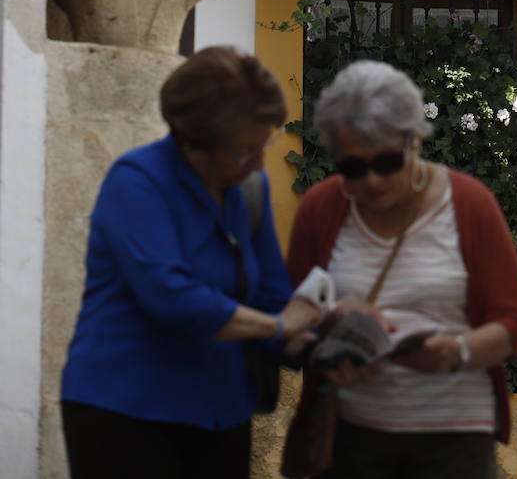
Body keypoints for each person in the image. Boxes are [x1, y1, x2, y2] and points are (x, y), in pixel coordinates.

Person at [60, 46, 321, 479]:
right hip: (126, 411)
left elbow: (275, 299)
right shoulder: (137, 182)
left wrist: (318, 340)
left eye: (265, 146)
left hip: (220, 412)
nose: (259, 164)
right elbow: (172, 298)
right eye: (244, 151)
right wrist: (278, 326)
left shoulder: (247, 191)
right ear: (195, 144)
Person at [285, 59, 517, 479]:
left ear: (414, 141)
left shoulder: (469, 203)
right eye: (353, 168)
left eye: (386, 163)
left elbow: (513, 325)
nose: (372, 182)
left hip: (454, 444)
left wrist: (458, 352)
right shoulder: (321, 208)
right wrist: (325, 343)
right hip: (348, 438)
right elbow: (286, 325)